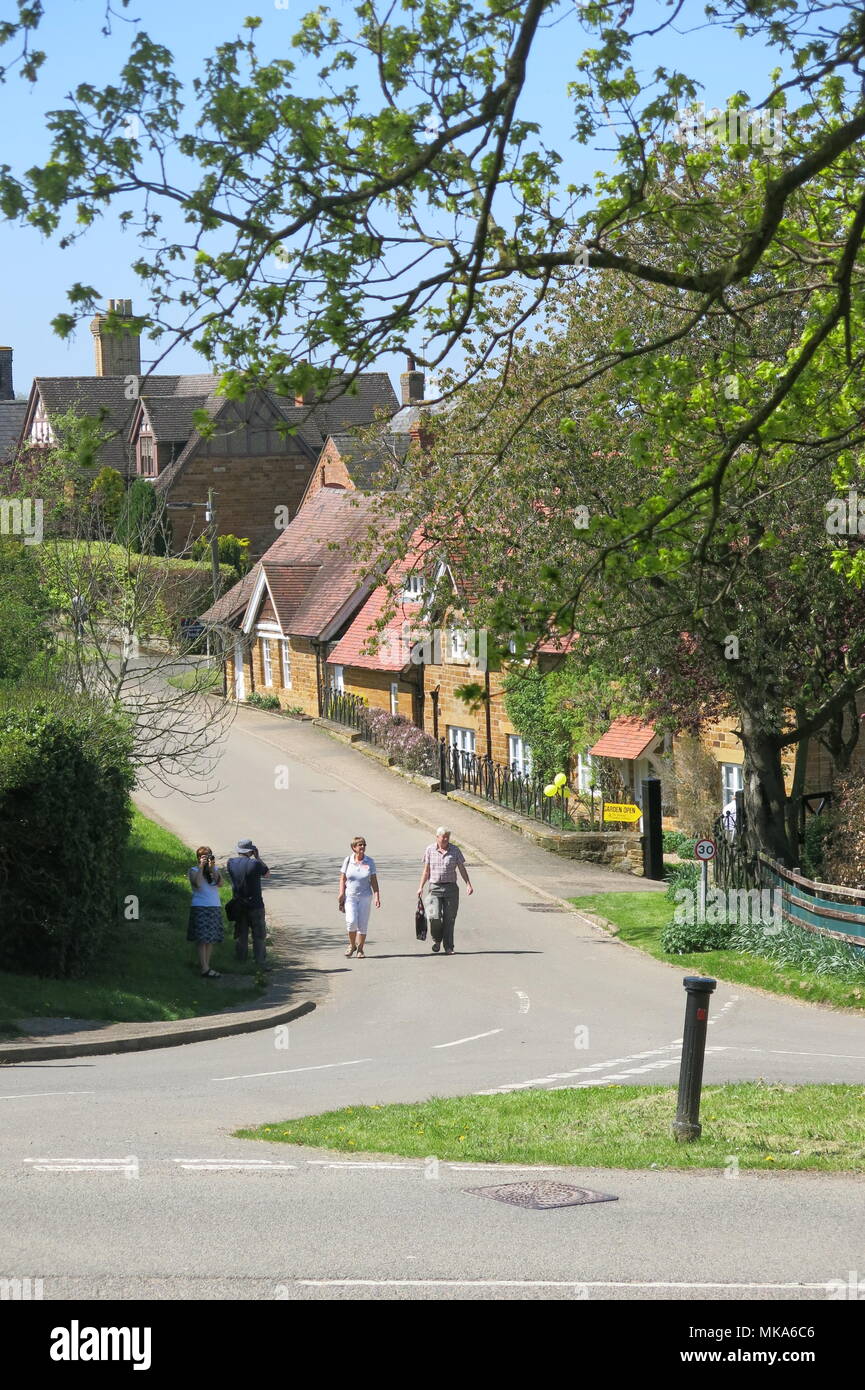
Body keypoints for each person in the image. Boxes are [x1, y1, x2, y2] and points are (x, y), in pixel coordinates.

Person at [417, 826, 473, 955]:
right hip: (434, 888)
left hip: (451, 888)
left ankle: (448, 946)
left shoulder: (455, 850)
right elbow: (426, 871)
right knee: (434, 917)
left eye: (448, 836)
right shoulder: (430, 850)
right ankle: (437, 940)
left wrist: (468, 884)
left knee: (449, 919)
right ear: (437, 837)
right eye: (443, 837)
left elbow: (461, 868)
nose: (446, 839)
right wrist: (420, 887)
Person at [227, 838, 270, 967]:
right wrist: (258, 857)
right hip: (255, 904)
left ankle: (241, 961)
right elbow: (267, 873)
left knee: (241, 934)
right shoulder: (255, 864)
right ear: (251, 851)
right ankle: (260, 962)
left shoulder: (231, 863)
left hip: (238, 904)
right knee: (259, 935)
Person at [338, 836, 380, 958]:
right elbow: (342, 878)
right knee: (351, 921)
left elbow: (374, 881)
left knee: (362, 924)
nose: (362, 847)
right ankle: (352, 945)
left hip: (365, 897)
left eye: (364, 845)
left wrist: (377, 896)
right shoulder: (348, 860)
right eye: (360, 845)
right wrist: (341, 893)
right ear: (354, 847)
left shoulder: (369, 861)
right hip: (350, 896)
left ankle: (360, 949)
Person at [187, 845, 224, 978]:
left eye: (208, 855)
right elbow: (196, 883)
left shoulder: (214, 870)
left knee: (210, 939)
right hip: (200, 906)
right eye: (204, 856)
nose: (206, 858)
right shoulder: (193, 870)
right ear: (198, 858)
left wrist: (212, 867)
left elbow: (220, 884)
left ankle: (206, 966)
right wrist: (202, 867)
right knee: (202, 939)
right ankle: (204, 967)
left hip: (214, 906)